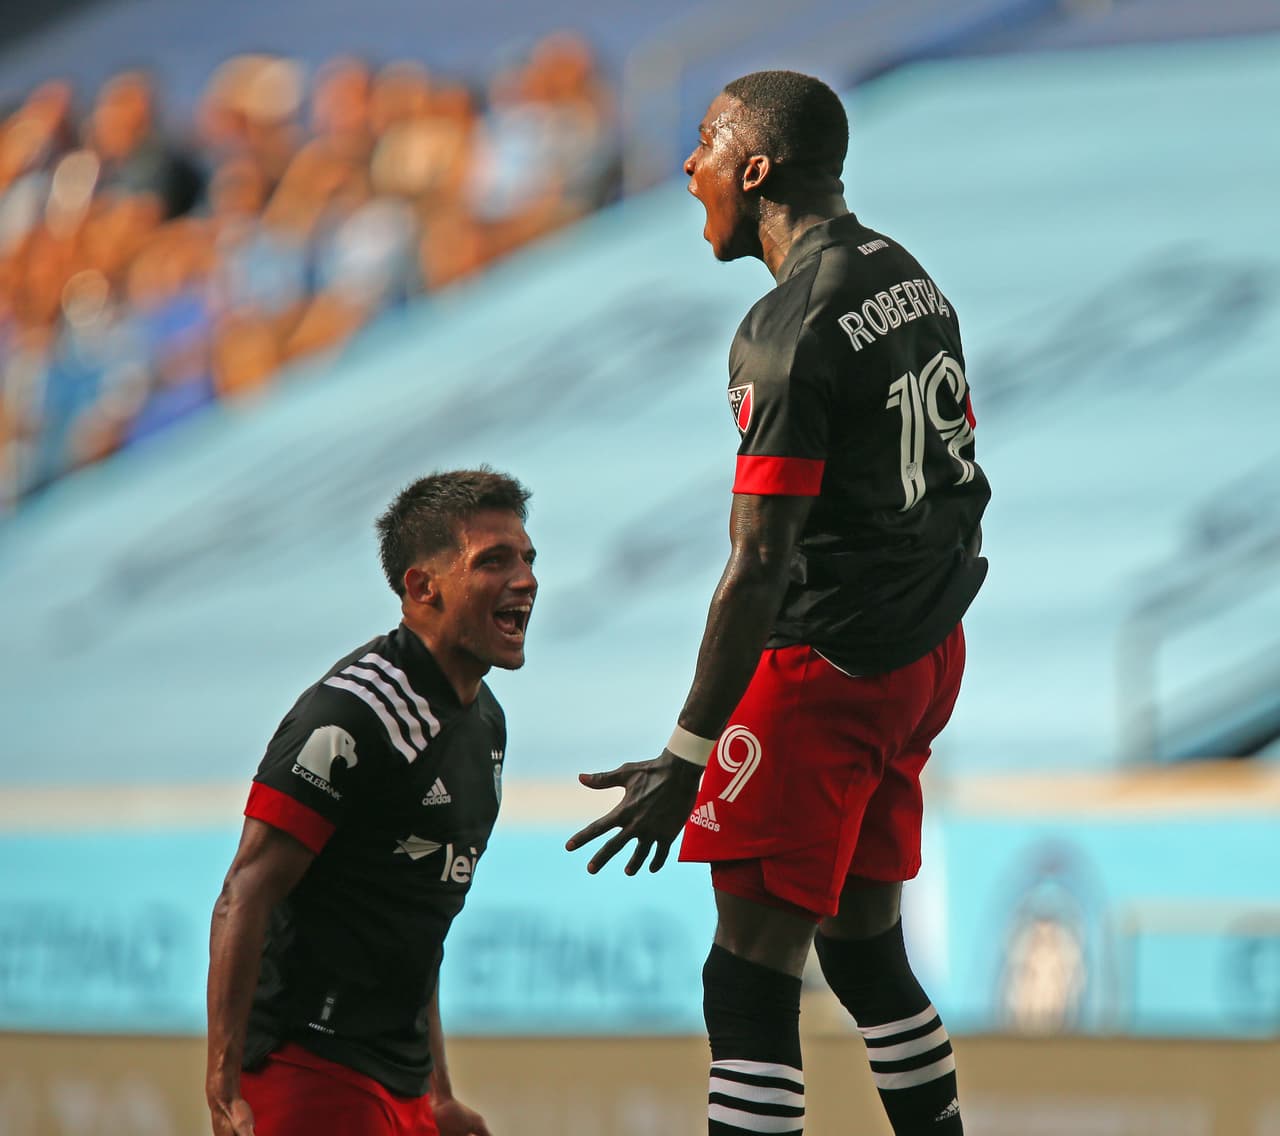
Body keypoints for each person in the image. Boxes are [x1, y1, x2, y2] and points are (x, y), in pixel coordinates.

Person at [567, 71, 990, 1136]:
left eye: (704, 143)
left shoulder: (785, 328)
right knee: (861, 946)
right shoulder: (907, 273)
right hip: (921, 650)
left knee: (746, 975)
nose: (685, 163)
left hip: (826, 671)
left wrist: (685, 749)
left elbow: (759, 563)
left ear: (754, 169)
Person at [208, 468, 538, 1136]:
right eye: (494, 561)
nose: (526, 580)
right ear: (422, 587)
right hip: (308, 1067)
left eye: (529, 559)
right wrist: (223, 1083)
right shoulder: (351, 715)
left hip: (404, 1081)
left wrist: (438, 1092)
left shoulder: (487, 721)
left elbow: (420, 919)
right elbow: (245, 890)